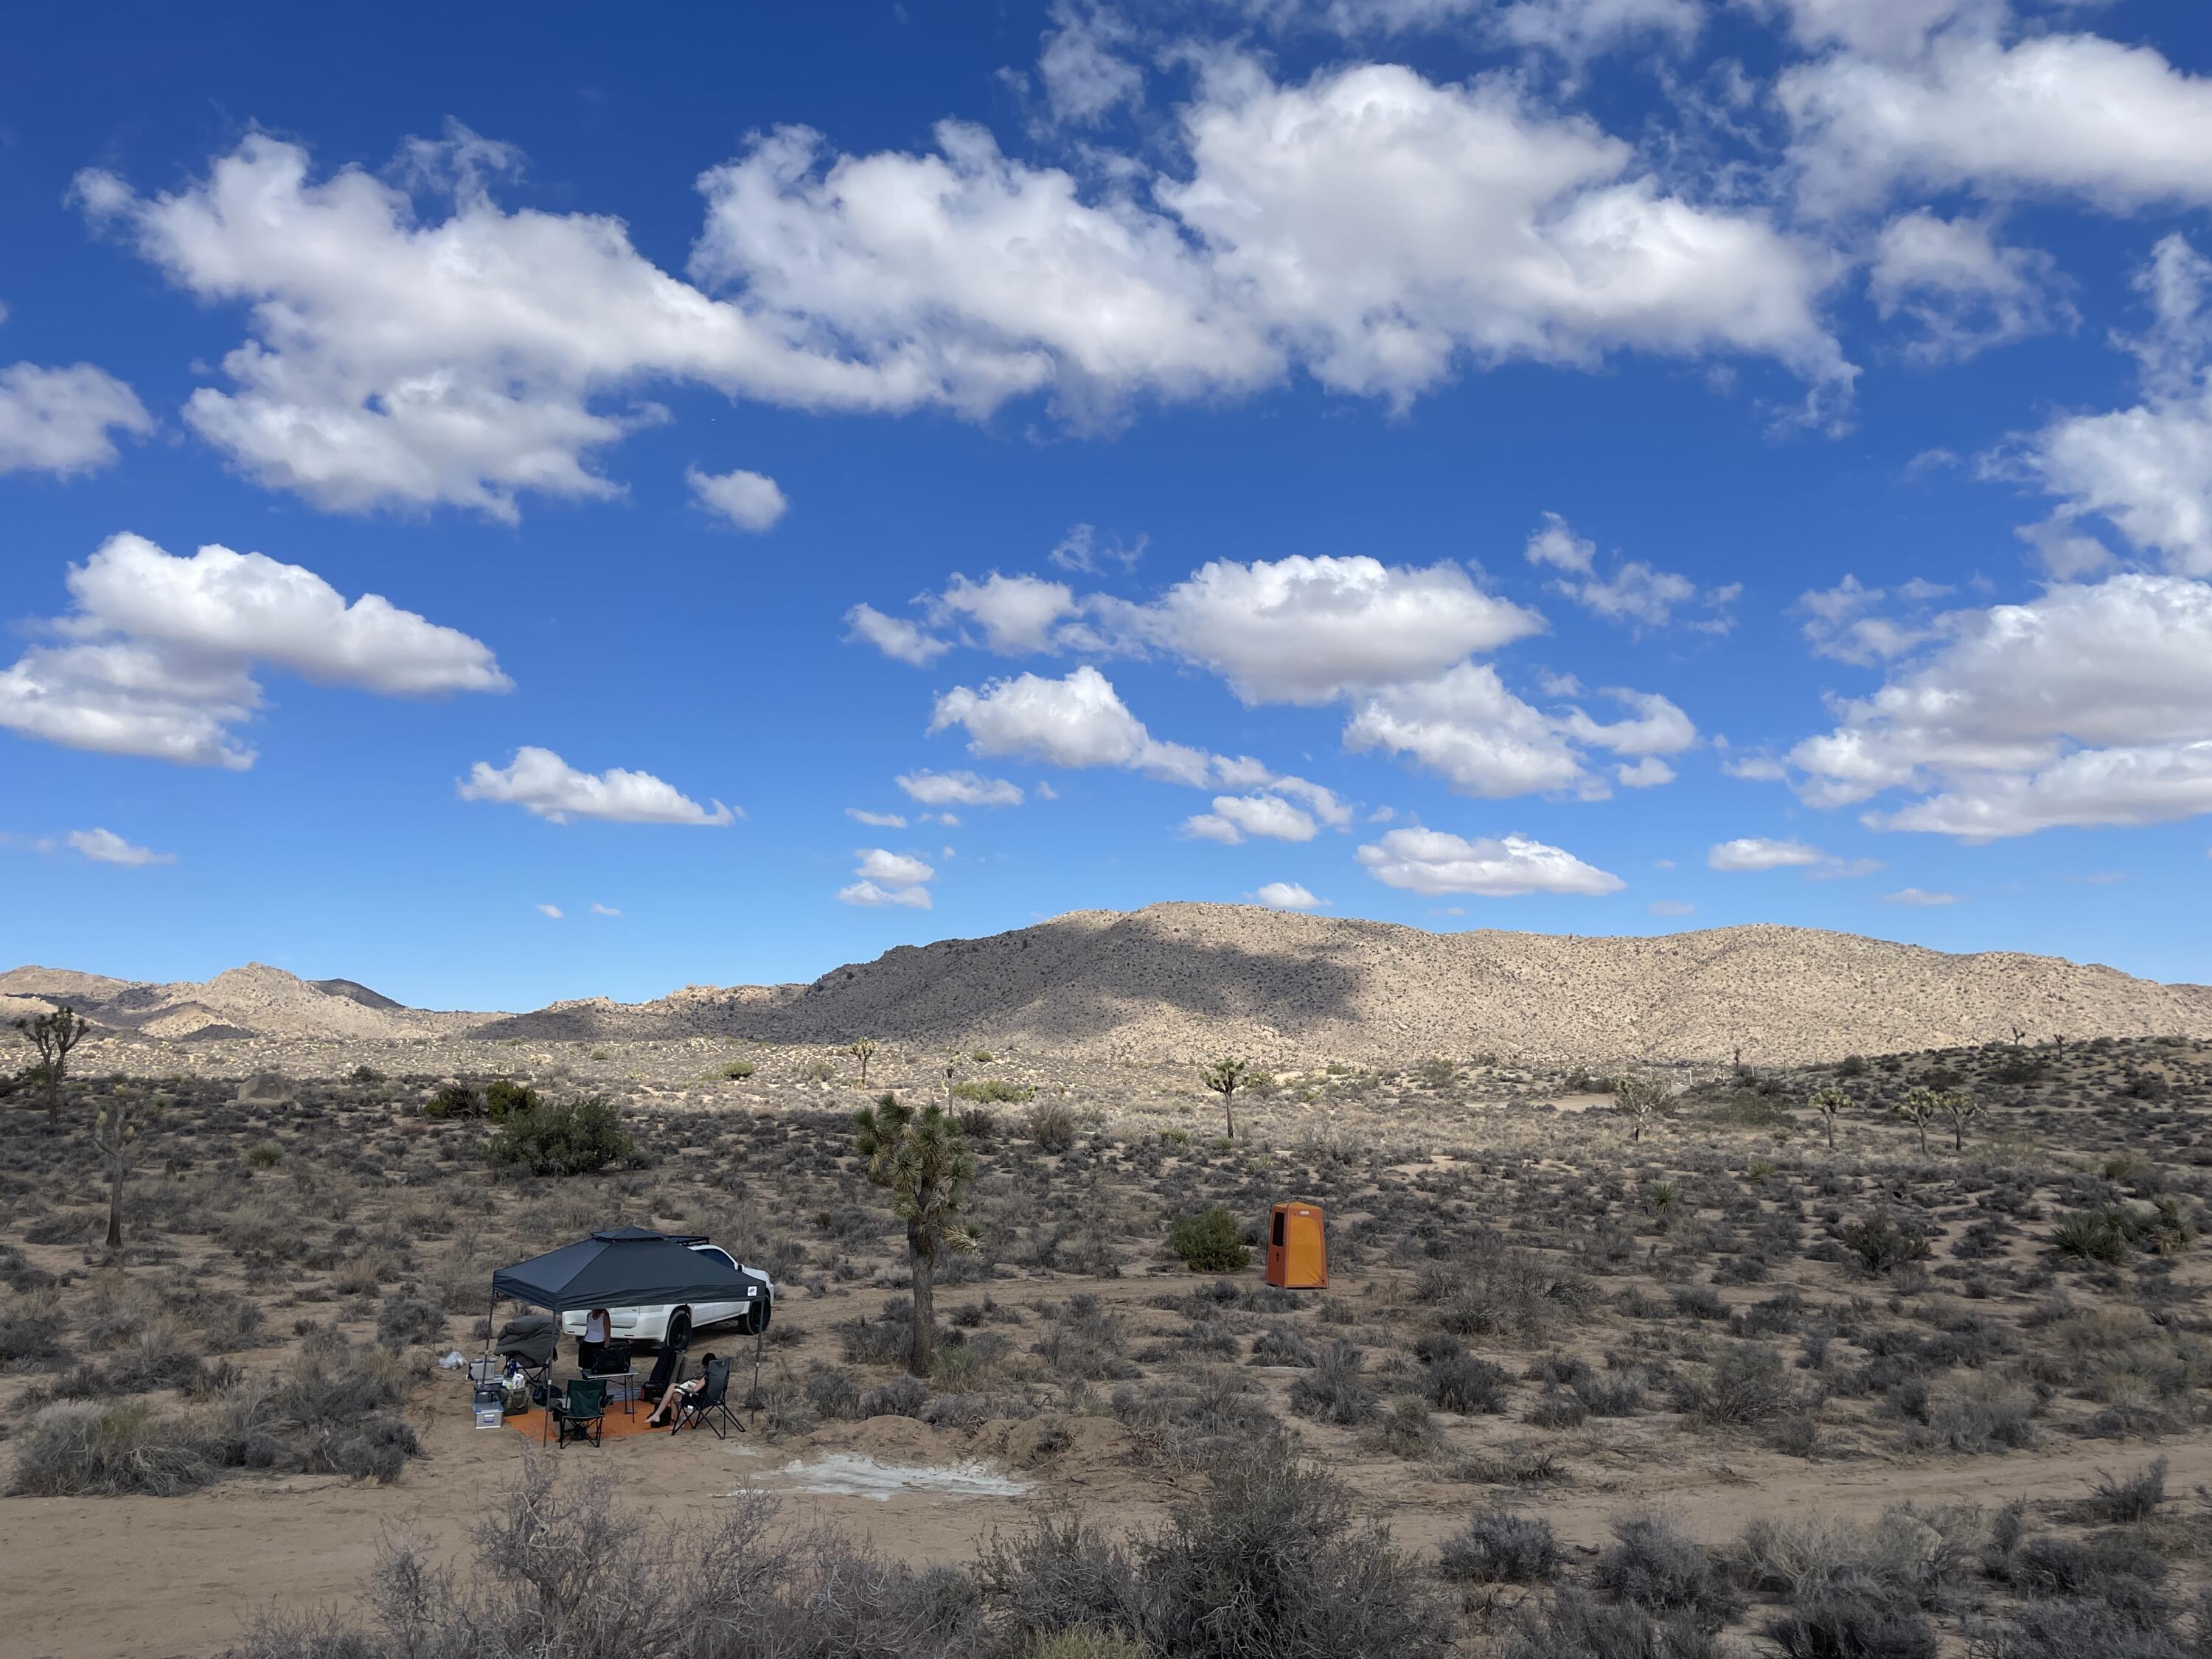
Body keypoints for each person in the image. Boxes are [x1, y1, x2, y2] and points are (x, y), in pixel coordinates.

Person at [646, 1351, 717, 1429]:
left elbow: (695, 1390)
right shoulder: (715, 1375)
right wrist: (696, 1382)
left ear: (707, 1366)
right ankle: (658, 1415)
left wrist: (690, 1387)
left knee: (672, 1396)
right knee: (673, 1387)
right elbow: (705, 1384)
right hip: (708, 1399)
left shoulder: (706, 1376)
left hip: (696, 1399)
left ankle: (676, 1423)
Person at [578, 1307, 611, 1374]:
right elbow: (588, 1330)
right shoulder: (589, 1315)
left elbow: (608, 1334)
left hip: (599, 1344)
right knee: (586, 1368)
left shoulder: (604, 1316)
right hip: (587, 1343)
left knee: (597, 1367)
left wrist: (606, 1348)